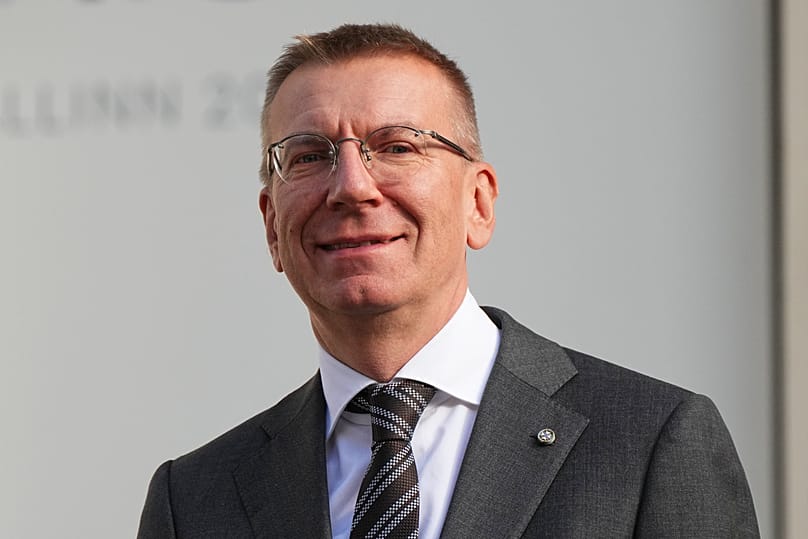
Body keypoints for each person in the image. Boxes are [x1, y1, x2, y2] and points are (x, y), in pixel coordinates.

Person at [137, 23, 759, 538]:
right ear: (273, 226)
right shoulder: (193, 500)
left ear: (478, 203)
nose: (351, 186)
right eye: (308, 156)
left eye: (398, 146)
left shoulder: (650, 443)